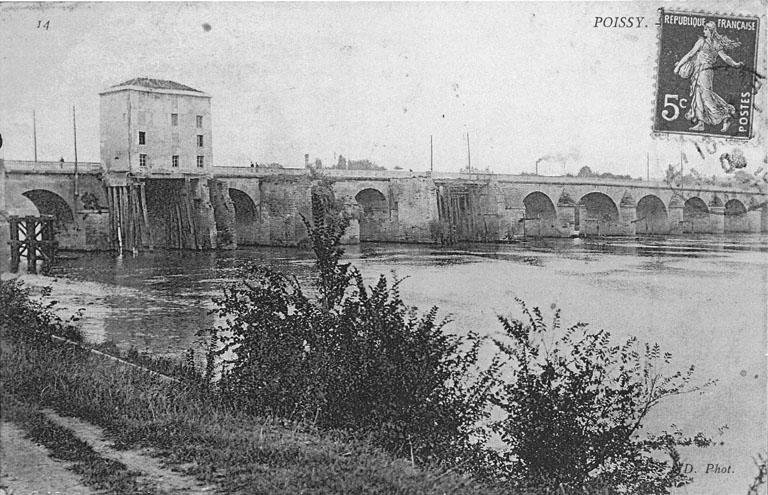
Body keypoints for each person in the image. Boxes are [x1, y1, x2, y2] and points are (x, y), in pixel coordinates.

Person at [674, 21, 744, 132]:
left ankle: (725, 117)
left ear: (710, 30)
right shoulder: (709, 42)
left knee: (706, 97)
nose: (703, 31)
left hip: (704, 71)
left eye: (705, 29)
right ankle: (701, 123)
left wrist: (678, 67)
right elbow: (692, 54)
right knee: (698, 96)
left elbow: (691, 54)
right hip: (700, 71)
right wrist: (735, 64)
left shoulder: (705, 42)